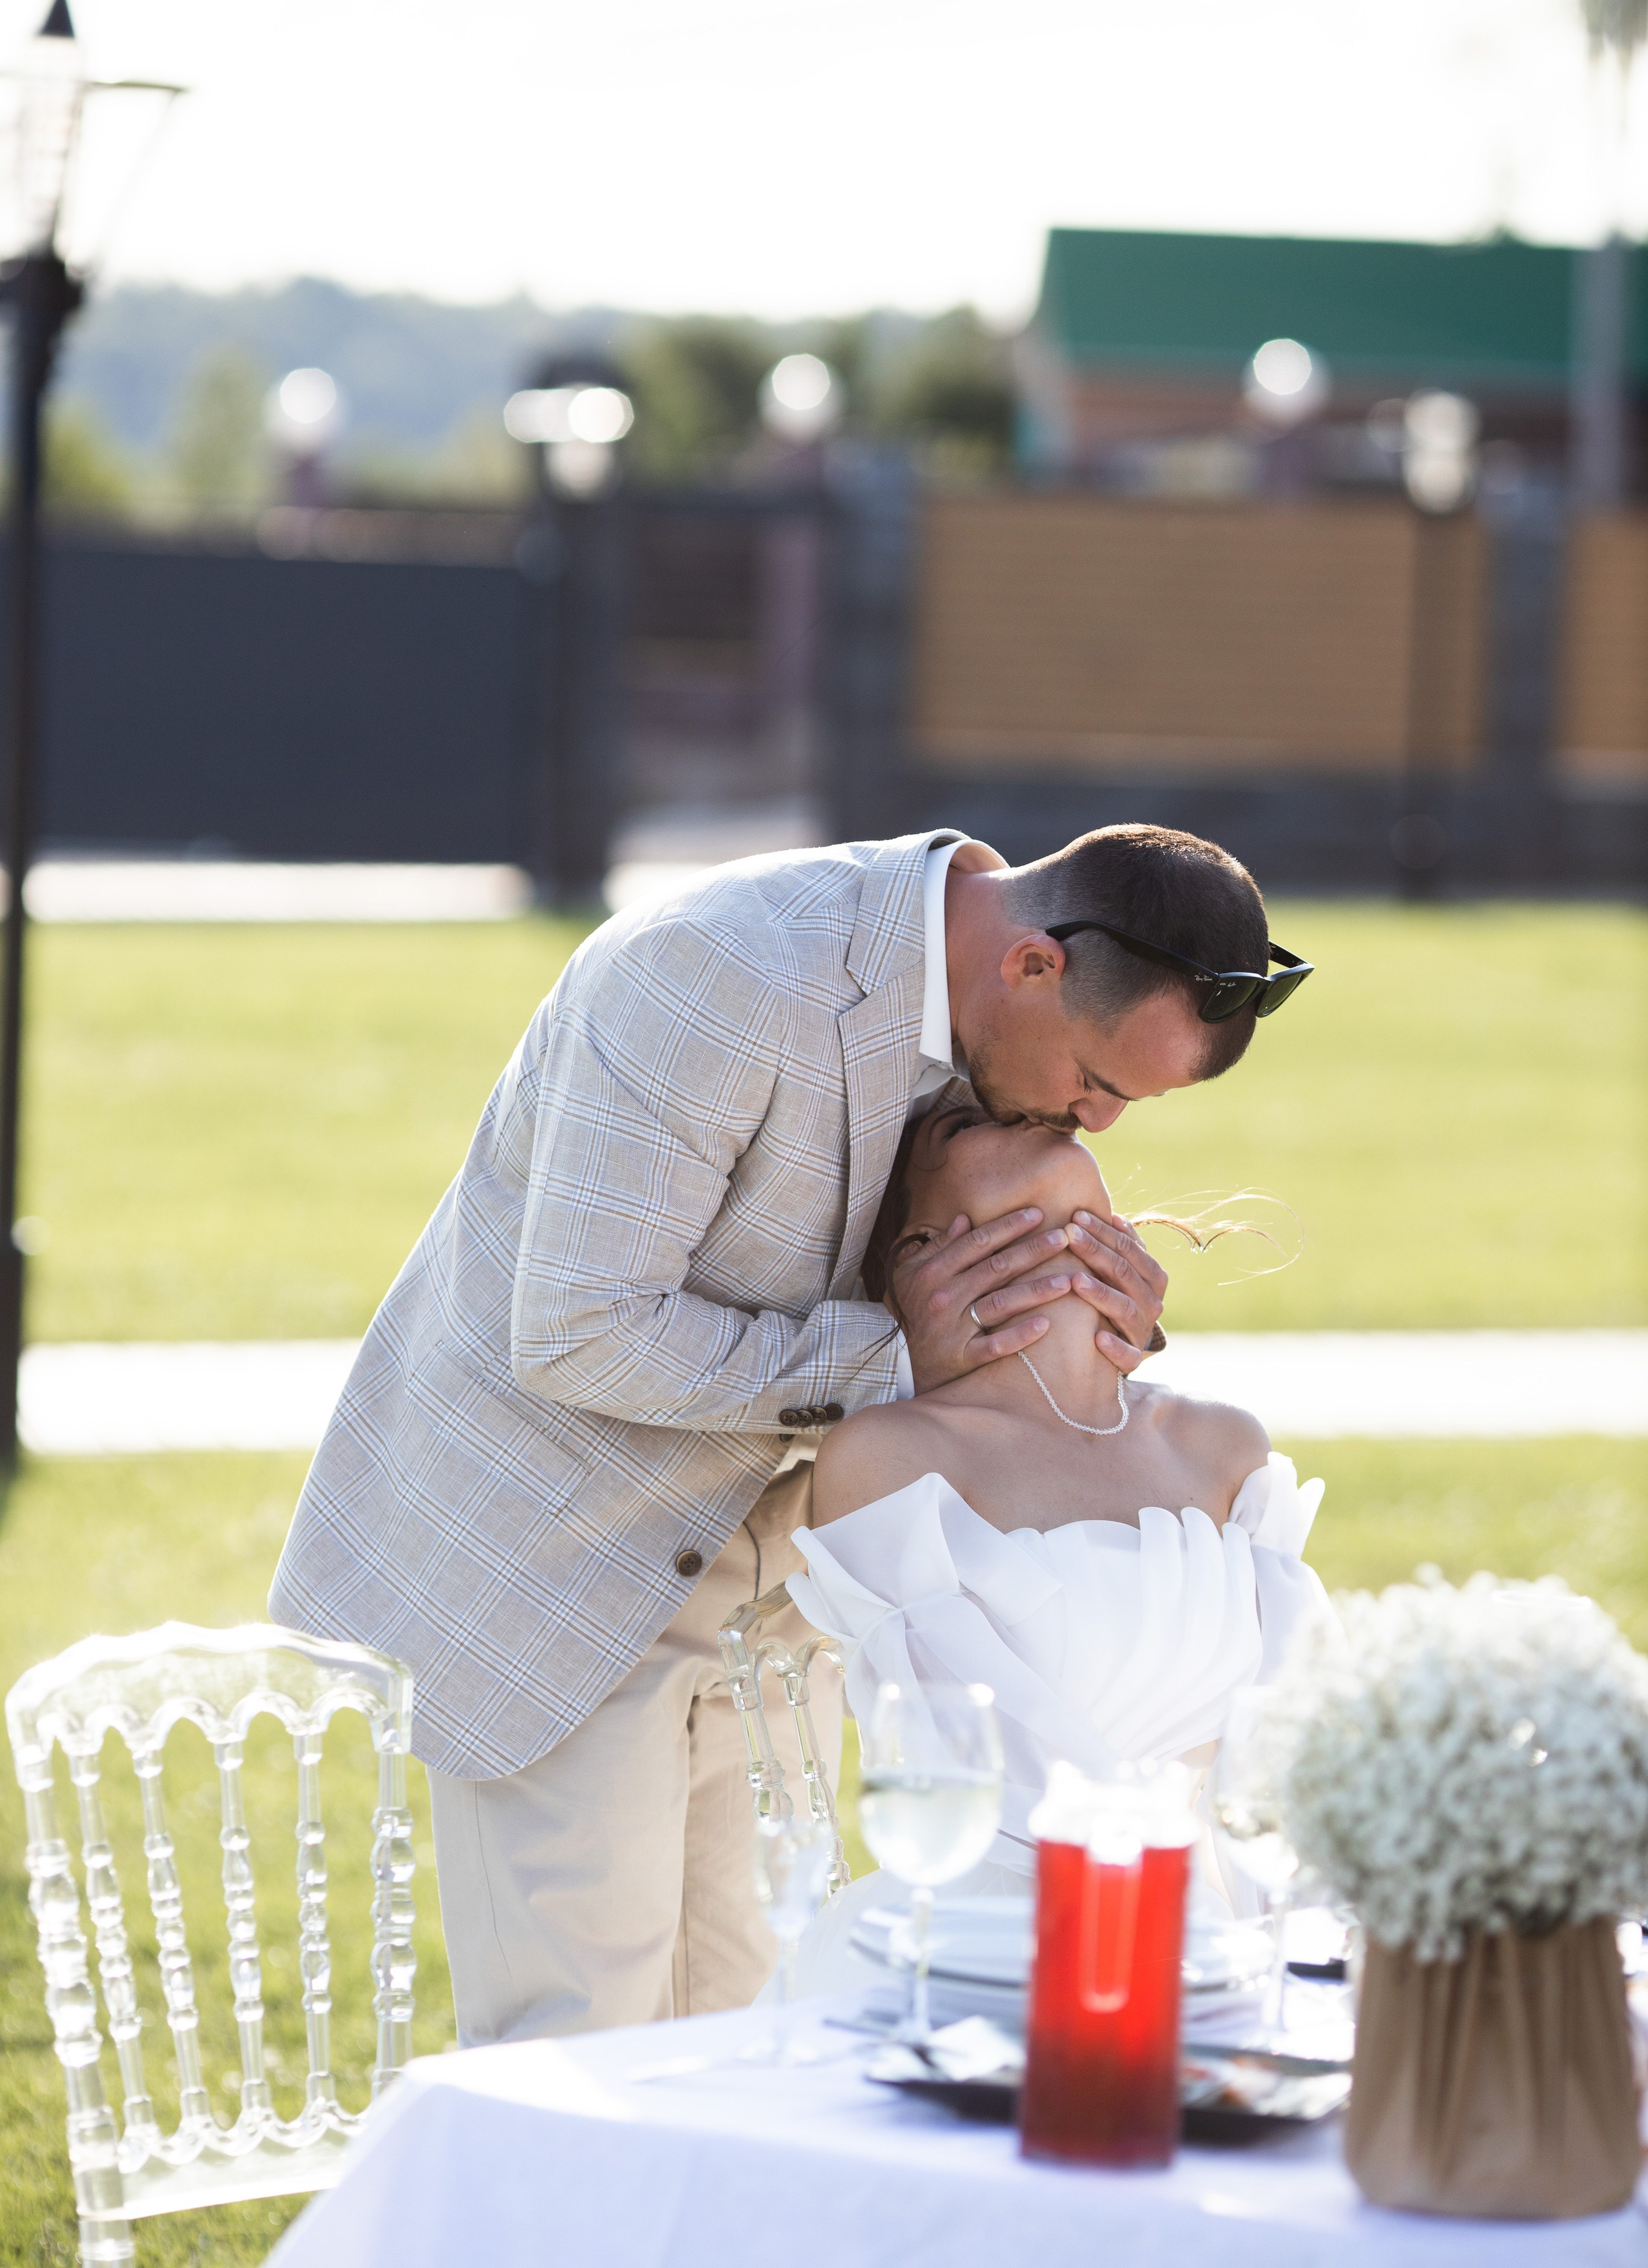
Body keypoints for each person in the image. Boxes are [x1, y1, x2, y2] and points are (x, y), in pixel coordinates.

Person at [269, 820, 1302, 2044]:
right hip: (564, 1566)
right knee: (582, 2042)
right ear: (1033, 966)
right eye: (1102, 1083)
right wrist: (900, 1357)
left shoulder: (1003, 1025)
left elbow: (937, 1268)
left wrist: (1087, 1315)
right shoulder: (722, 972)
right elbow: (578, 1329)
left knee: (749, 2038)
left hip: (785, 1601)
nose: (1098, 1122)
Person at [782, 1097, 1329, 1996]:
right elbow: (982, 1760)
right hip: (981, 1971)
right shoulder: (894, 1461)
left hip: (1219, 1967)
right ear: (918, 1255)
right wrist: (1176, 1950)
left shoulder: (1224, 1446)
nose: (1003, 1109)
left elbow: (1300, 1746)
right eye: (953, 1127)